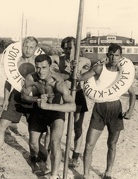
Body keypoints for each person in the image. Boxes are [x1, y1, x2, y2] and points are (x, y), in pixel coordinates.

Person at [0, 36, 39, 169]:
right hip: (16, 96)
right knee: (1, 126)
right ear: (22, 46)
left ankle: (34, 158)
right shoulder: (17, 61)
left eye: (31, 47)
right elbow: (9, 80)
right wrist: (5, 98)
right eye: (26, 46)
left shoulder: (38, 63)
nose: (28, 50)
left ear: (36, 49)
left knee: (33, 136)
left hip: (33, 98)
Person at [77, 43, 136, 179]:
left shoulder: (123, 75)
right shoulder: (99, 69)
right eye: (111, 54)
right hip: (99, 108)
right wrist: (78, 66)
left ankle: (108, 173)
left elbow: (133, 94)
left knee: (112, 143)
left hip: (115, 109)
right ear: (107, 55)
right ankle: (86, 175)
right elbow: (81, 78)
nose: (114, 57)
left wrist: (130, 111)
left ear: (120, 57)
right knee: (89, 143)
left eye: (117, 55)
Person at [21, 54, 76, 179]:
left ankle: (54, 175)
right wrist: (37, 99)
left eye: (44, 67)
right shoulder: (31, 78)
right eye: (38, 68)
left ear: (50, 67)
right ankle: (42, 159)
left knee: (55, 142)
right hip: (39, 110)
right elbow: (23, 96)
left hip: (56, 112)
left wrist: (48, 106)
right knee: (33, 143)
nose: (41, 71)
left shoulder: (58, 82)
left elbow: (72, 106)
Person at [51, 36, 91, 167]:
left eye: (71, 48)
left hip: (77, 93)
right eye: (66, 48)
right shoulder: (59, 59)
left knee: (77, 126)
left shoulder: (84, 60)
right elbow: (45, 62)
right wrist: (61, 73)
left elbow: (83, 75)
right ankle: (51, 151)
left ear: (76, 48)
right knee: (57, 124)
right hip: (63, 94)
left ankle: (75, 155)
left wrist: (75, 70)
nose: (68, 51)